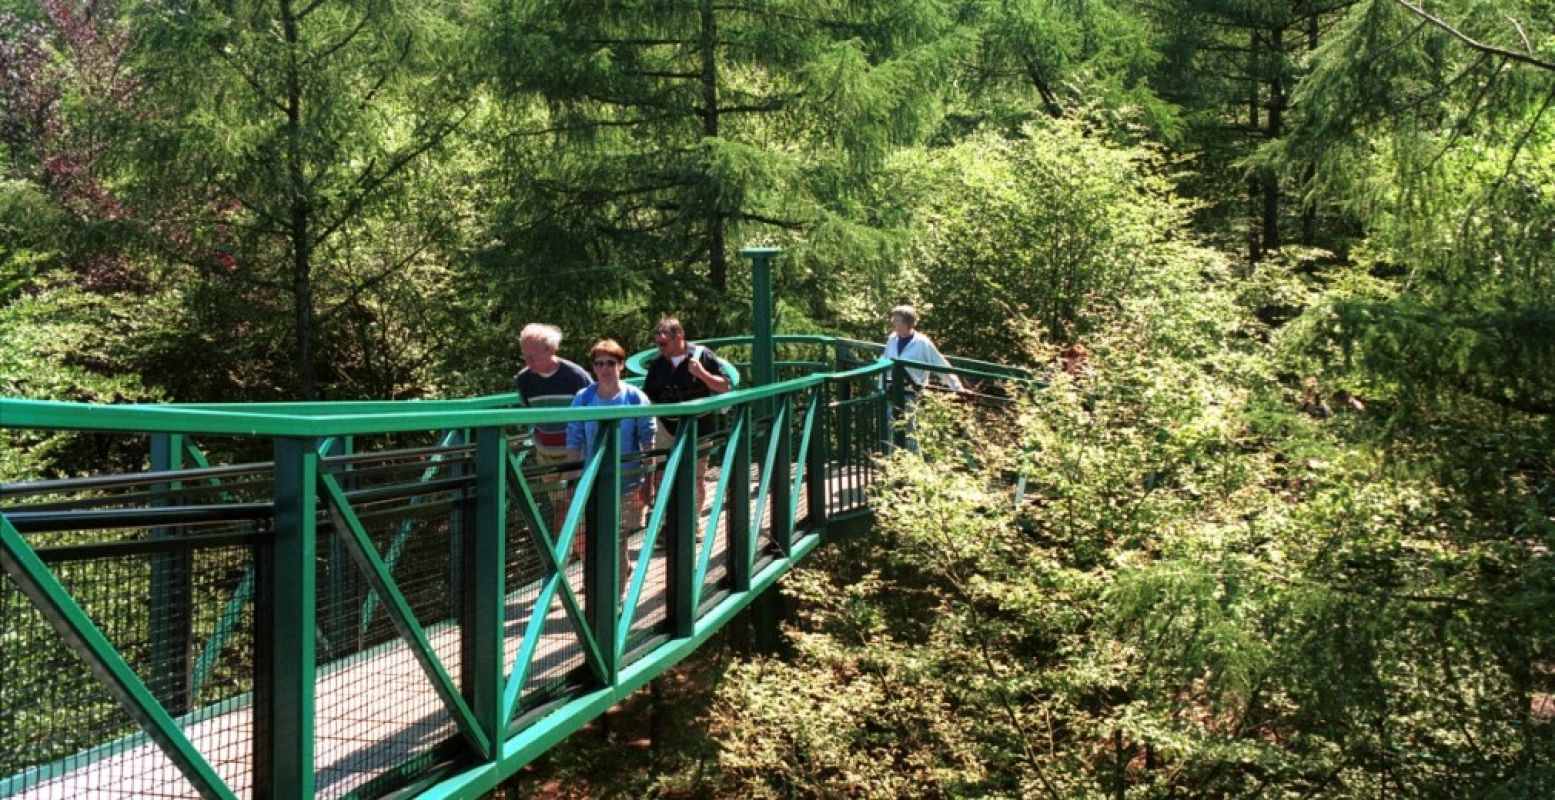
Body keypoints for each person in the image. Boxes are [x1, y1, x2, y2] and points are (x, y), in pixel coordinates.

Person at [642, 317, 731, 450]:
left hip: (698, 429)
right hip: (666, 430)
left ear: (678, 338)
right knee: (662, 470)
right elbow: (648, 397)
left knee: (697, 471)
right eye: (658, 344)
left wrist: (701, 373)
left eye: (663, 344)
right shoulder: (657, 363)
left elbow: (725, 386)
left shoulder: (702, 355)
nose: (660, 348)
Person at [514, 323, 593, 465]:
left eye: (533, 357)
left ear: (551, 349)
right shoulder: (524, 380)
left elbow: (594, 413)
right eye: (526, 357)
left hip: (576, 454)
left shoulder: (576, 377)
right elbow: (529, 412)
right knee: (550, 488)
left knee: (576, 488)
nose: (529, 362)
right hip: (544, 455)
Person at [883, 305, 964, 393]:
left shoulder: (922, 342)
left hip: (913, 394)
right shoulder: (892, 338)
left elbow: (940, 364)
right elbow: (885, 362)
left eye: (896, 320)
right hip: (892, 391)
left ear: (907, 323)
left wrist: (958, 389)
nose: (892, 322)